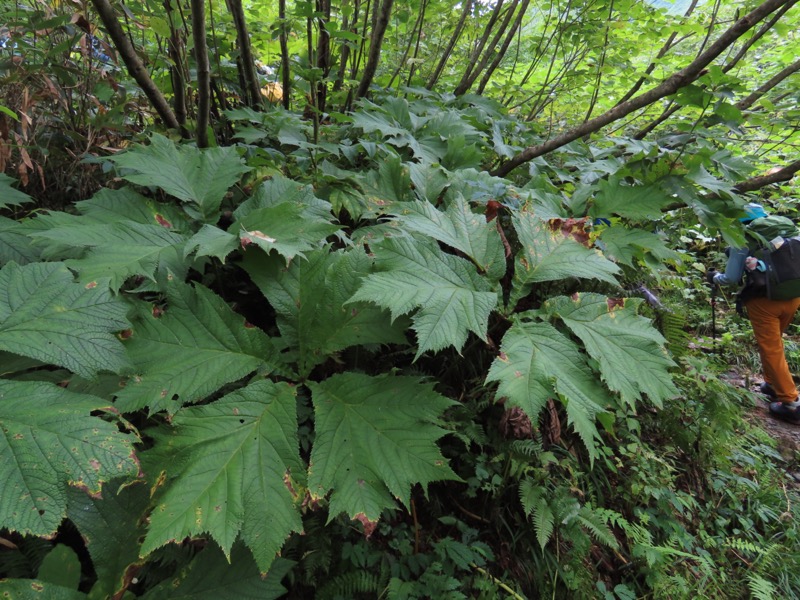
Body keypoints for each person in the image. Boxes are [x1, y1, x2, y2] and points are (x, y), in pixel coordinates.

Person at [707, 202, 800, 423]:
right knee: (774, 342)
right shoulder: (786, 228)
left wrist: (714, 277)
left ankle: (791, 403)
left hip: (764, 301)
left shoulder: (743, 238)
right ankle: (772, 384)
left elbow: (730, 278)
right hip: (794, 295)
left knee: (771, 348)